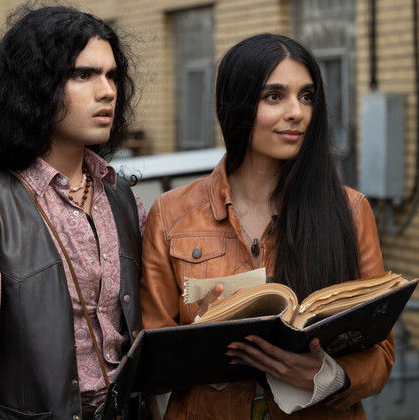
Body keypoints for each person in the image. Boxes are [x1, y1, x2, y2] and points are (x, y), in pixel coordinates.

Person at [140, 33, 394, 419]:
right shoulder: (172, 213)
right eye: (274, 96)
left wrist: (325, 376)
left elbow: (381, 354)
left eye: (306, 96)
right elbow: (152, 366)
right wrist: (203, 331)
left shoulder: (350, 210)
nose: (297, 112)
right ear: (237, 104)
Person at [0, 6, 147, 420]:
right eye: (83, 75)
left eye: (111, 75)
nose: (107, 91)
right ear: (33, 86)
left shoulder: (122, 198)